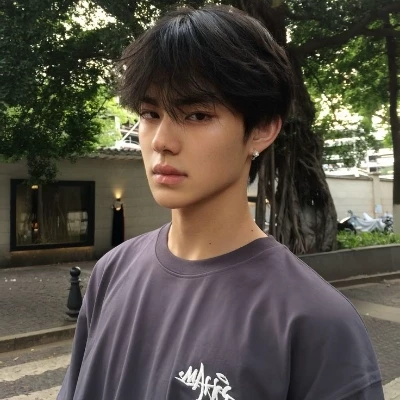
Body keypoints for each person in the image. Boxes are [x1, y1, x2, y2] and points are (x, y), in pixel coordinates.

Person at [58, 5, 384, 400]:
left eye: (196, 115)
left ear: (262, 129)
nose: (162, 140)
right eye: (150, 113)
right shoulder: (112, 272)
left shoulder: (314, 321)